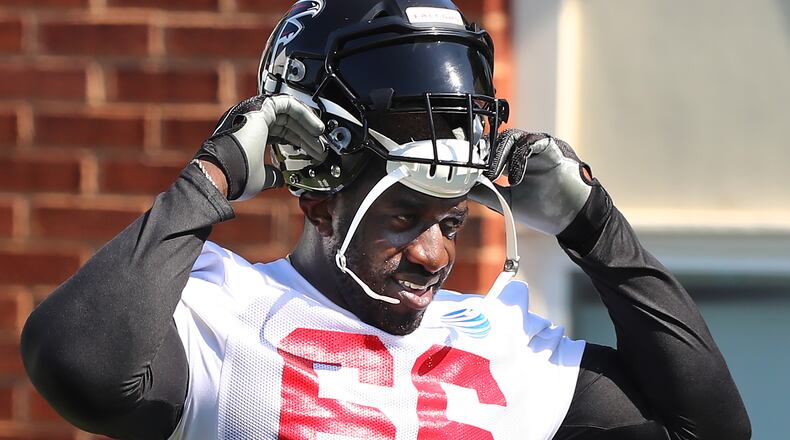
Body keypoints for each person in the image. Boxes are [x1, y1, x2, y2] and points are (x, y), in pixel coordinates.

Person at [20, 0, 750, 439]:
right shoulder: (220, 313)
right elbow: (78, 367)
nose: (435, 254)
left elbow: (709, 428)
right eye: (404, 216)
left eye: (453, 222)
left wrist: (594, 226)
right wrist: (209, 179)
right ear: (316, 198)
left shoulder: (505, 349)